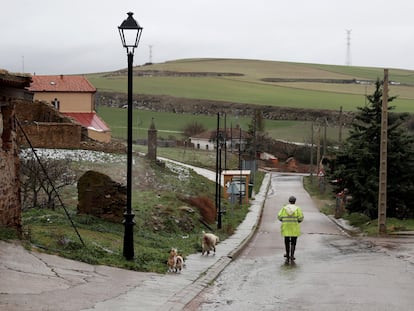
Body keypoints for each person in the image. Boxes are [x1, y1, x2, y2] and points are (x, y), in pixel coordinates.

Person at [277, 195, 304, 262]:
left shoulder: (284, 208)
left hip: (286, 227)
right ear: (295, 201)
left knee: (286, 241)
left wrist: (283, 220)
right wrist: (298, 221)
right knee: (293, 242)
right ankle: (292, 256)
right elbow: (301, 218)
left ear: (289, 201)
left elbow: (279, 216)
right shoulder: (298, 209)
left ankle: (287, 254)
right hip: (294, 227)